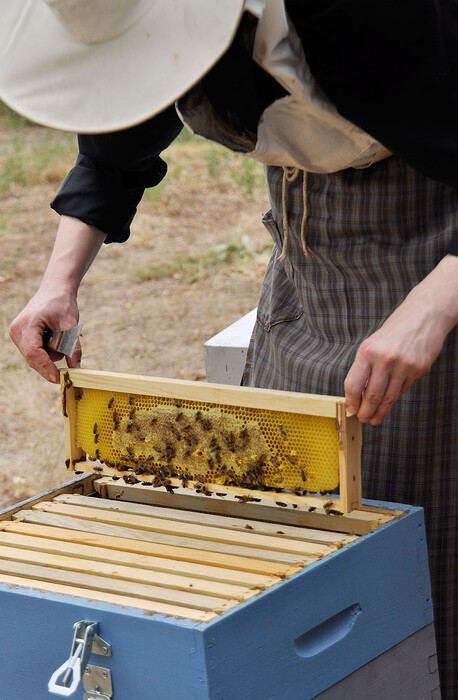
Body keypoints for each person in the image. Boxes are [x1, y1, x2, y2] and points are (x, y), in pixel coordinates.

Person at [1, 1, 457, 695]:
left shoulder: (375, 18)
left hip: (437, 237)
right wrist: (59, 281)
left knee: (417, 550)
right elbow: (117, 141)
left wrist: (434, 303)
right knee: (287, 521)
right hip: (307, 257)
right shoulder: (155, 21)